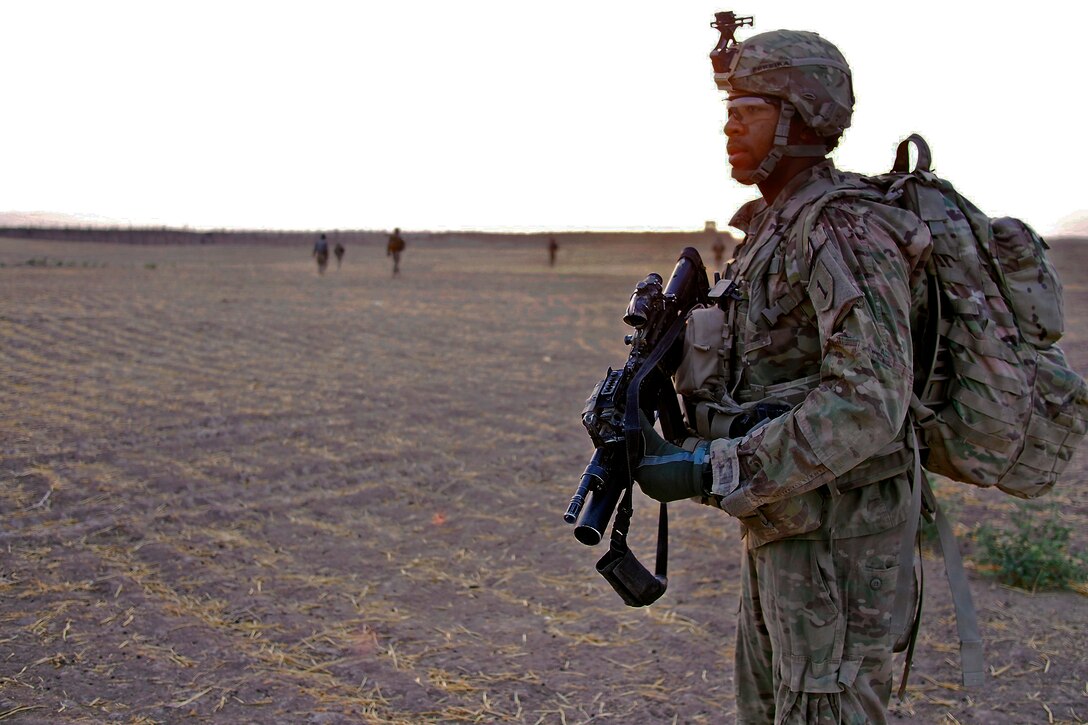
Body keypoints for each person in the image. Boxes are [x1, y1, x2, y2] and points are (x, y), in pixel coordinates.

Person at [631, 25, 932, 724]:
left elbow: (869, 402)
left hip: (837, 536)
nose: (729, 126)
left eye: (751, 109)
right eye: (729, 109)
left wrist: (717, 469)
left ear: (801, 116)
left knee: (823, 709)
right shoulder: (772, 227)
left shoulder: (842, 230)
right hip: (787, 520)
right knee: (766, 709)